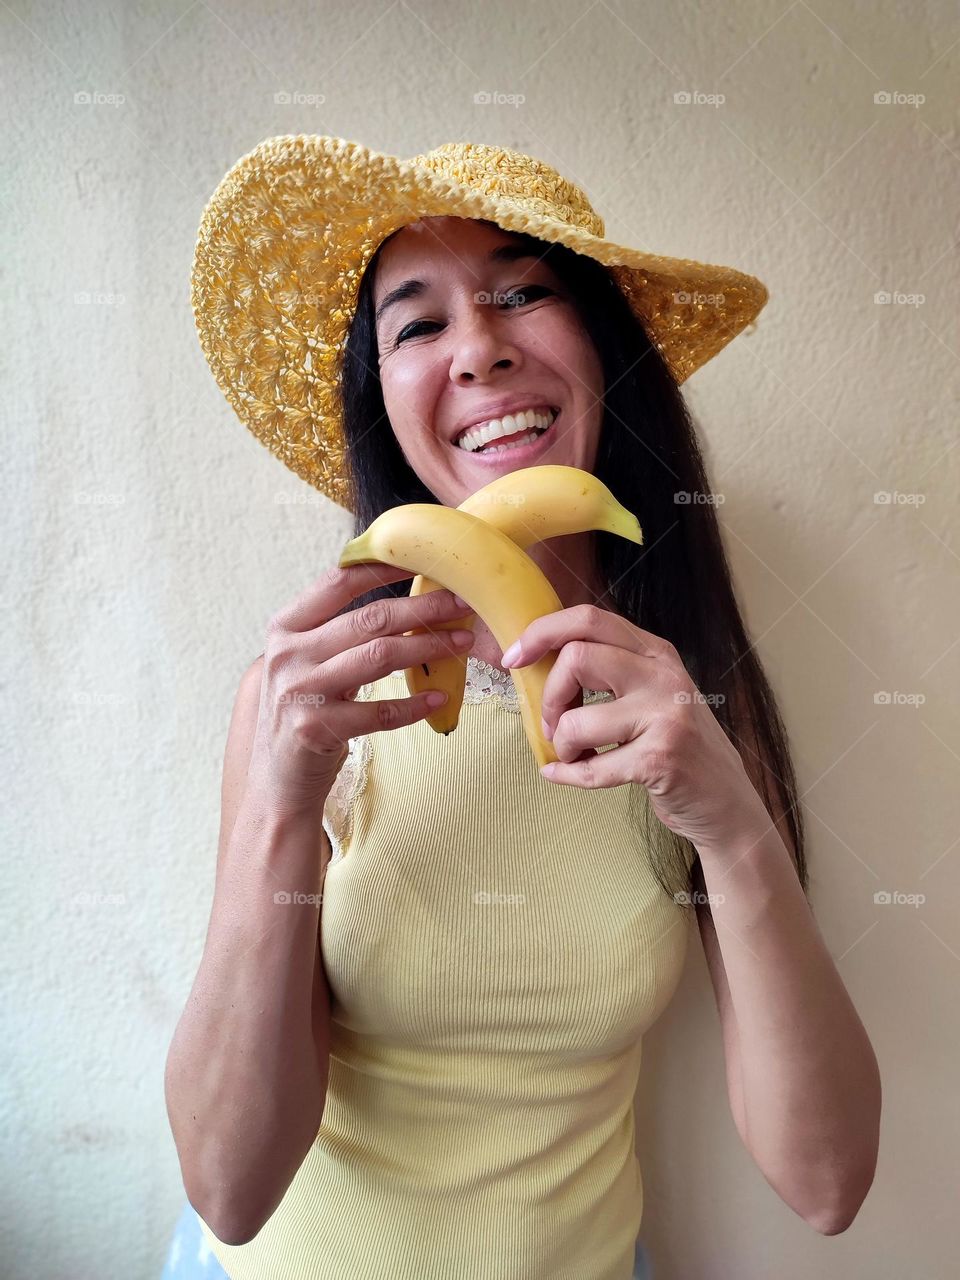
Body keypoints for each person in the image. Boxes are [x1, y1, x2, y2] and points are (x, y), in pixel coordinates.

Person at [164, 136, 825, 1279]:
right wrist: (278, 801)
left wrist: (735, 830)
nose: (479, 348)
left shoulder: (684, 696)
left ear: (604, 351)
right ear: (385, 399)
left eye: (525, 291)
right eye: (418, 323)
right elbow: (229, 1184)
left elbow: (828, 1179)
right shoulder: (312, 697)